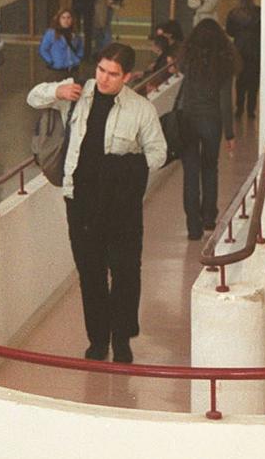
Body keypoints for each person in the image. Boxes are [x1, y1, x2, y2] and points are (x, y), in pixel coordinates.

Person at [26, 43, 167, 363]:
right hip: (81, 202)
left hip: (122, 205)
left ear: (127, 76)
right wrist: (57, 91)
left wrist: (126, 164)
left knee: (126, 272)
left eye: (113, 74)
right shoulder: (79, 94)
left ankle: (122, 339)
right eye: (101, 70)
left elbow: (158, 153)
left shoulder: (140, 109)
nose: (103, 79)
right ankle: (98, 340)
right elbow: (33, 97)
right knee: (90, 274)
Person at [177, 20, 236, 240]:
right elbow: (225, 103)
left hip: (188, 119)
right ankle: (209, 217)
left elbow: (180, 69)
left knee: (190, 173)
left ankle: (193, 227)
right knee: (210, 168)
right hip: (212, 121)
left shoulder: (188, 60)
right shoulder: (225, 63)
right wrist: (229, 133)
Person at [225, 0, 261, 119]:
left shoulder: (233, 13)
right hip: (256, 50)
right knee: (254, 82)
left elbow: (230, 32)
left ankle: (239, 109)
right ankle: (251, 110)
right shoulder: (259, 12)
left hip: (240, 49)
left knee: (240, 81)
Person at [39, 9, 85, 77]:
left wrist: (79, 57)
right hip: (57, 70)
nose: (66, 20)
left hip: (73, 69)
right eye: (63, 18)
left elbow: (80, 46)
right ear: (59, 19)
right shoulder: (51, 33)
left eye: (68, 17)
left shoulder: (75, 33)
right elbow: (43, 49)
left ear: (72, 19)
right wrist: (51, 61)